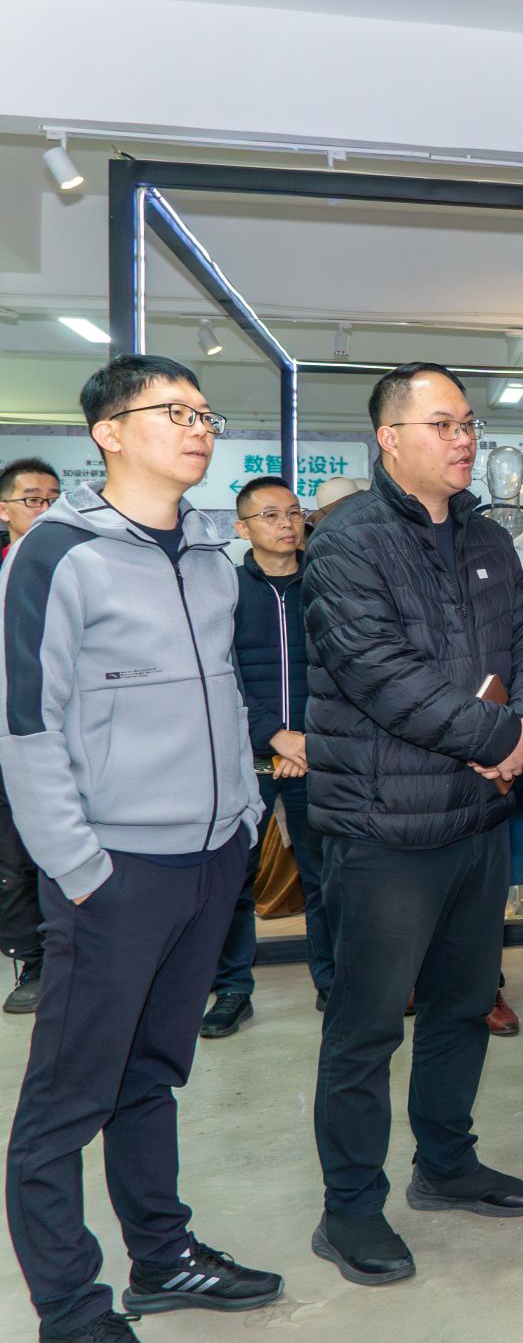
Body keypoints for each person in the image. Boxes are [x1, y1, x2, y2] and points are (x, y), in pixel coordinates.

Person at [2, 356, 282, 1342]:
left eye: (205, 414)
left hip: (210, 861)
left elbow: (229, 694)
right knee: (67, 1099)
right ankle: (72, 1309)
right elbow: (27, 727)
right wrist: (80, 868)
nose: (199, 428)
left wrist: (242, 818)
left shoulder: (209, 553)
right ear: (110, 432)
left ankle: (162, 1258)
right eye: (175, 412)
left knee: (152, 1074)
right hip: (114, 872)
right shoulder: (56, 554)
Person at [303, 362, 523, 1285]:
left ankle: (445, 1163)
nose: (464, 438)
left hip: (477, 820)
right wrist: (500, 736)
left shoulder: (487, 536)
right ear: (389, 438)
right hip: (386, 827)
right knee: (366, 1027)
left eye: (469, 423)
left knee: (462, 1004)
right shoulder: (348, 541)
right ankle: (349, 1209)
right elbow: (379, 671)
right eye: (443, 423)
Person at [199, 476, 332, 1041]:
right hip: (248, 758)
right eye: (270, 515)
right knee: (235, 880)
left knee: (327, 876)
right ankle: (232, 990)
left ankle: (333, 982)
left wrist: (308, 739)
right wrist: (273, 735)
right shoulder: (224, 591)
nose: (286, 524)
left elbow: (344, 667)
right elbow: (218, 673)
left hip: (318, 753)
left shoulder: (327, 586)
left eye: (294, 513)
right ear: (241, 527)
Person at [0, 456, 61, 1016]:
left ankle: (61, 959)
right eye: (32, 500)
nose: (45, 509)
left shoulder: (72, 567)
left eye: (53, 499)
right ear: (4, 510)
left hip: (55, 731)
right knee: (13, 856)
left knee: (54, 845)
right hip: (6, 733)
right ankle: (31, 961)